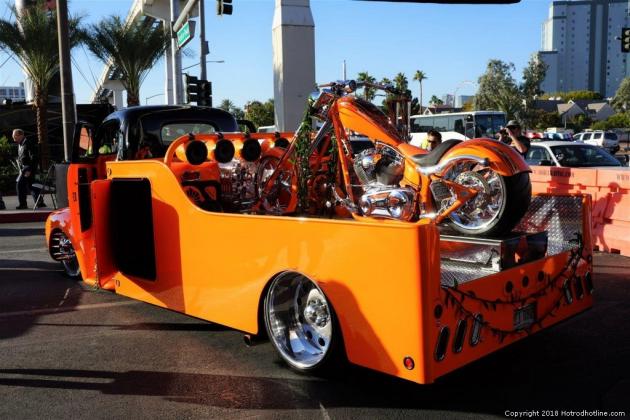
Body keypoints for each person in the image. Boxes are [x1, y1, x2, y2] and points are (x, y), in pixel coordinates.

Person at [13, 129, 45, 209]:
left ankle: (23, 204)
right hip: (24, 168)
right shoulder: (20, 144)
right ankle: (40, 203)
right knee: (32, 185)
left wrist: (29, 170)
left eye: (15, 136)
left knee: (19, 184)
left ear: (21, 135)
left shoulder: (28, 143)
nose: (14, 138)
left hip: (28, 168)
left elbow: (34, 158)